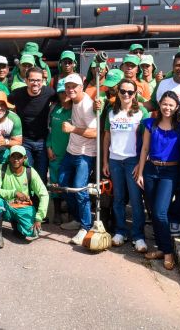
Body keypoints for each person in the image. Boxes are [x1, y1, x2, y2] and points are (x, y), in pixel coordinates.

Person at [135, 91, 180, 269]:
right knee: (152, 210)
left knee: (160, 212)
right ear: (159, 105)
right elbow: (145, 149)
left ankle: (168, 252)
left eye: (171, 105)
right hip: (151, 170)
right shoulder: (150, 124)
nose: (167, 107)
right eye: (164, 104)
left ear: (176, 107)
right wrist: (140, 172)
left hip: (170, 172)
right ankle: (162, 249)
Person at [151, 51, 180, 237]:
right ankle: (161, 219)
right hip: (165, 141)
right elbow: (155, 106)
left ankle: (176, 219)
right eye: (178, 65)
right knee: (163, 184)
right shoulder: (164, 84)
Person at [102, 78, 150, 251]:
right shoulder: (111, 112)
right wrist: (105, 161)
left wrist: (141, 165)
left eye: (130, 92)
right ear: (118, 92)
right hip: (115, 160)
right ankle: (120, 231)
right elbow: (106, 137)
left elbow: (146, 142)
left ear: (135, 93)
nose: (126, 95)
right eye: (123, 91)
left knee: (136, 200)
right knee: (118, 198)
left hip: (133, 161)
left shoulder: (142, 112)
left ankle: (138, 236)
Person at [57, 73, 98, 245]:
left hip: (85, 153)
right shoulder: (73, 100)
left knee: (80, 189)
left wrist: (73, 129)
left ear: (81, 87)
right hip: (71, 150)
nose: (70, 89)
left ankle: (86, 227)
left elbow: (95, 132)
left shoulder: (87, 105)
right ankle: (77, 218)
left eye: (74, 86)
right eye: (68, 87)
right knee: (62, 183)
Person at [0, 145, 50, 247]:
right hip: (5, 205)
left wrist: (39, 217)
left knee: (33, 232)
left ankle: (16, 224)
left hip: (22, 206)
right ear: (9, 157)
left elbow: (44, 194)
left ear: (25, 158)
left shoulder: (30, 172)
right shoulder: (0, 168)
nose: (16, 159)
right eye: (13, 156)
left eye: (19, 157)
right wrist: (14, 193)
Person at [7, 66, 56, 183]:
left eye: (38, 80)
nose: (35, 83)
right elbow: (2, 103)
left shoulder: (49, 92)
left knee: (41, 176)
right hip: (24, 141)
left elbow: (65, 102)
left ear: (42, 81)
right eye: (32, 80)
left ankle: (40, 195)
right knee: (26, 174)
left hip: (42, 141)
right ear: (26, 80)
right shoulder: (17, 94)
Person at [46, 78, 72, 224]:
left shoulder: (76, 109)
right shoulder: (53, 109)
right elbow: (48, 130)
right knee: (55, 183)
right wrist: (48, 147)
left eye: (66, 91)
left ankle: (70, 212)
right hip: (55, 153)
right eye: (61, 92)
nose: (64, 95)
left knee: (69, 183)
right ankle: (56, 212)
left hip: (71, 153)